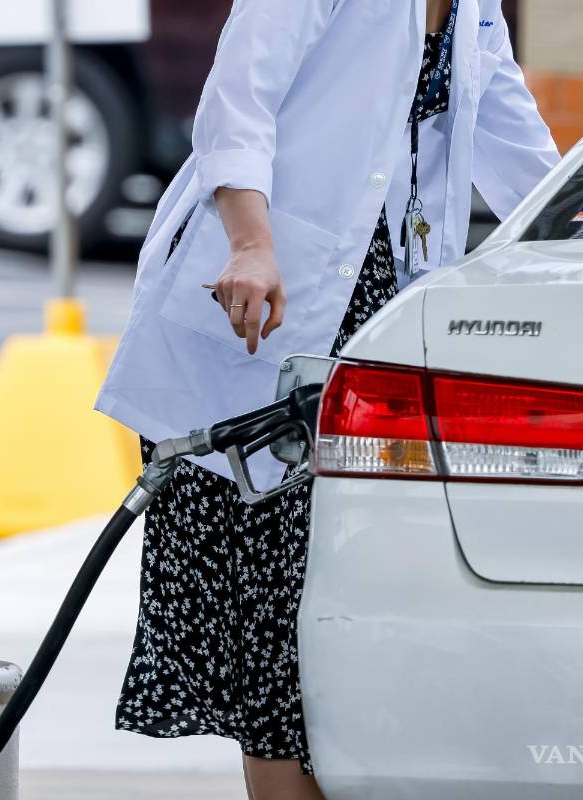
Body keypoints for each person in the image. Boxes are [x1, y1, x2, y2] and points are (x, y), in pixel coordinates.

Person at [96, 1, 559, 797]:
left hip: (378, 324)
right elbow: (237, 99)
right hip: (267, 307)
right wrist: (250, 243)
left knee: (349, 626)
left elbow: (509, 130)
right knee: (280, 651)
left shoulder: (475, 6)